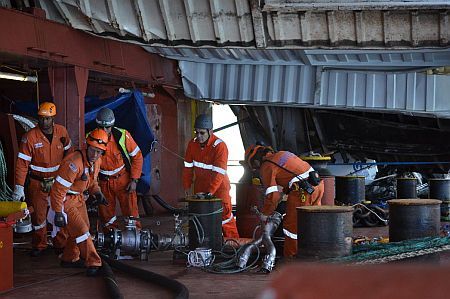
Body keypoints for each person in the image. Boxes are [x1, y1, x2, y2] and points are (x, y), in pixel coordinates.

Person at [12, 102, 72, 257]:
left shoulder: (62, 133)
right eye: (41, 118)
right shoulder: (30, 137)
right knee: (39, 217)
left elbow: (70, 156)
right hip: (37, 183)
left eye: (47, 119)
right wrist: (19, 187)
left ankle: (61, 244)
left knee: (60, 213)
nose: (44, 122)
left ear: (53, 118)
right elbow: (22, 164)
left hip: (57, 184)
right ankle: (40, 245)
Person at [245, 145, 324, 257]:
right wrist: (285, 192)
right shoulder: (282, 154)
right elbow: (292, 174)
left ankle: (291, 260)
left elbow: (273, 196)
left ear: (256, 161)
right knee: (311, 224)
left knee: (292, 229)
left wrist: (265, 214)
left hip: (303, 192)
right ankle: (313, 256)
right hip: (318, 186)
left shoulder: (267, 166)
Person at [49, 128, 108, 276]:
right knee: (82, 230)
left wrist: (97, 192)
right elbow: (57, 190)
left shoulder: (96, 161)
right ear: (87, 146)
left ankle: (69, 258)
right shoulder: (73, 163)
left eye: (99, 152)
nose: (95, 155)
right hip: (65, 200)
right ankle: (94, 263)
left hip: (79, 198)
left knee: (83, 228)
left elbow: (92, 181)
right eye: (93, 150)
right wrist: (58, 212)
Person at [183, 114, 239, 238]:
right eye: (196, 132)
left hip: (219, 189)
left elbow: (219, 173)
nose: (198, 136)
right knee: (201, 218)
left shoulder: (220, 146)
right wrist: (187, 187)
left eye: (202, 133)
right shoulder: (192, 144)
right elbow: (188, 167)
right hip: (200, 188)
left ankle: (235, 247)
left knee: (225, 218)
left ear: (210, 131)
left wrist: (210, 192)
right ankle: (206, 246)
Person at [94, 107, 143, 229]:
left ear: (112, 125)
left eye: (108, 128)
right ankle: (110, 240)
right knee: (106, 216)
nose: (104, 131)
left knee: (131, 213)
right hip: (104, 182)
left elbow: (137, 156)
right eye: (102, 128)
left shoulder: (122, 136)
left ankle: (135, 239)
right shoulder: (91, 138)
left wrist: (134, 180)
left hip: (123, 181)